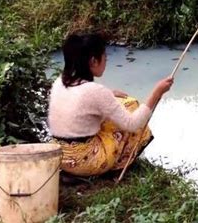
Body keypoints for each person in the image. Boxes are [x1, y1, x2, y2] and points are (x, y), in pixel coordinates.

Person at [48, 34, 173, 176]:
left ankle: (72, 173)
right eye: (104, 56)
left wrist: (110, 94)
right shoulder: (96, 92)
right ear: (93, 61)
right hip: (84, 161)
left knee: (124, 106)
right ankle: (118, 165)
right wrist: (157, 93)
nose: (106, 59)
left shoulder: (59, 82)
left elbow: (81, 101)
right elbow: (132, 124)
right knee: (133, 109)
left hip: (59, 155)